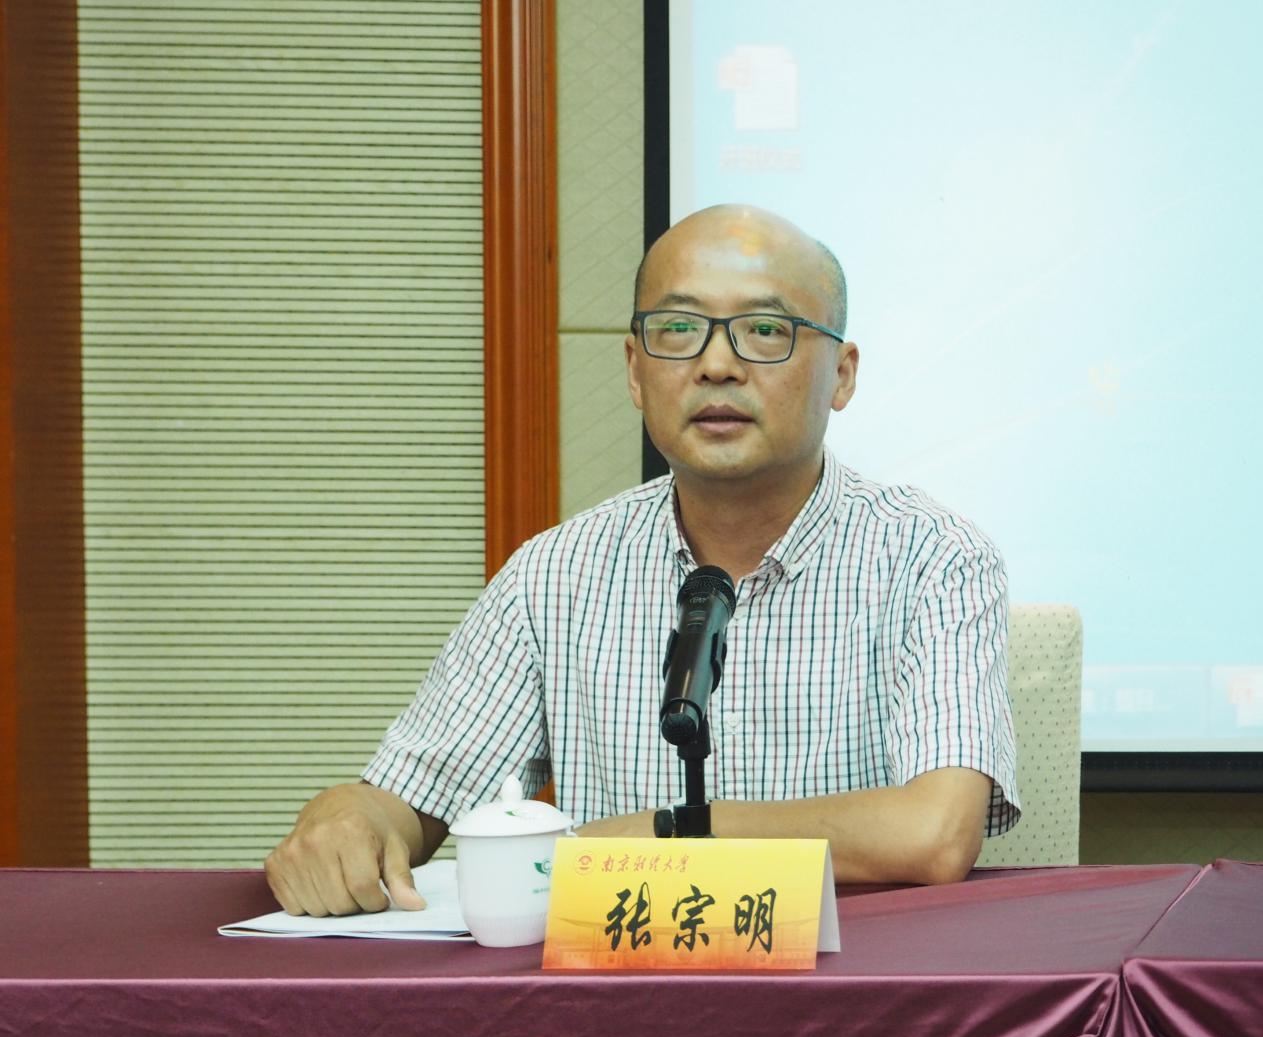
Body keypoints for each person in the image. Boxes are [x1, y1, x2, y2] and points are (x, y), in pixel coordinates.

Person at [265, 204, 1020, 917]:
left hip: (854, 993)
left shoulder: (933, 559)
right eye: (678, 329)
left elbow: (936, 831)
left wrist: (665, 835)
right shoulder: (555, 575)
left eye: (764, 330)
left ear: (843, 374)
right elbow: (414, 798)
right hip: (618, 999)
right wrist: (351, 818)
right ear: (634, 369)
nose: (717, 365)